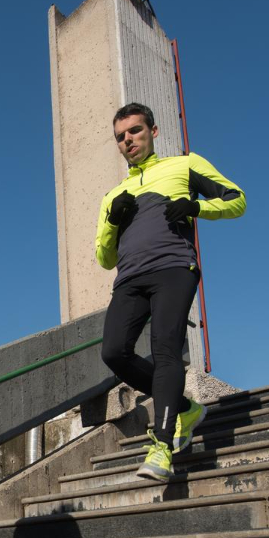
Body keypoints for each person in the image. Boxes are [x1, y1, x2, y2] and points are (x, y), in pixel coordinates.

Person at [95, 102, 245, 481]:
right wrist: (114, 221)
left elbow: (236, 200)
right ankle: (184, 407)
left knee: (165, 349)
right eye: (120, 136)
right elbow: (104, 257)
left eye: (135, 131)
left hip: (174, 268)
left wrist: (194, 207)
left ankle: (162, 447)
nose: (128, 140)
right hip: (129, 278)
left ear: (153, 131)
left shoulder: (184, 165)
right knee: (113, 351)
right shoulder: (115, 194)